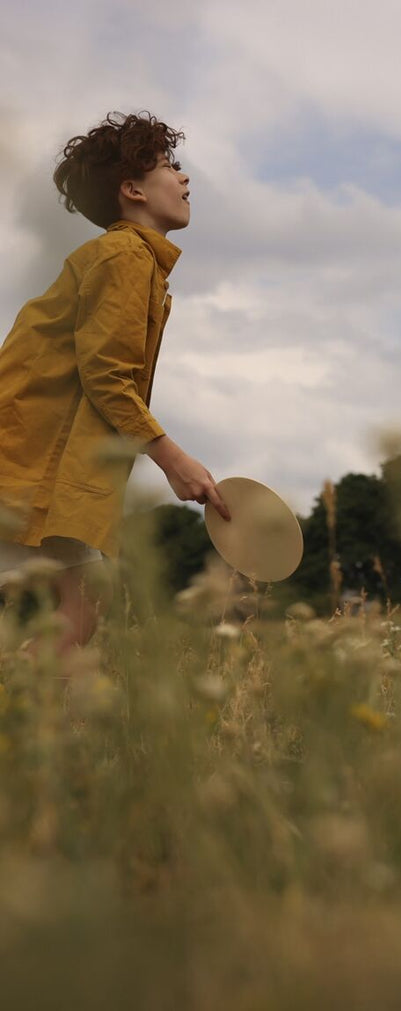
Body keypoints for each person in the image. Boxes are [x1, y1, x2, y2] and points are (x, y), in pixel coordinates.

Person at [0, 111, 229, 658]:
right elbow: (106, 373)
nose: (184, 178)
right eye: (171, 166)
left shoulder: (136, 261)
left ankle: (21, 712)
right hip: (26, 461)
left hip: (53, 471)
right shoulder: (126, 254)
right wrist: (174, 460)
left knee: (87, 603)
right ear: (133, 190)